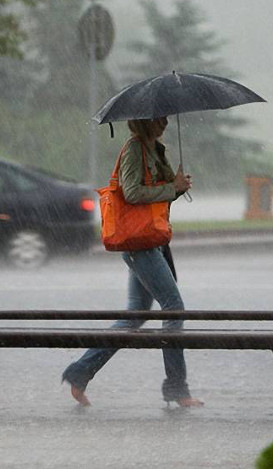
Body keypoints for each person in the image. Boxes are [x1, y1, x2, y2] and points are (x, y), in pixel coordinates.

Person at [61, 116, 204, 408]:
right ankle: (177, 387)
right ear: (143, 120)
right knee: (174, 310)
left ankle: (80, 371)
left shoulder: (156, 149)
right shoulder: (134, 149)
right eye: (158, 118)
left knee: (135, 315)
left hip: (154, 241)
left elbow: (154, 197)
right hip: (141, 244)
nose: (164, 122)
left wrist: (177, 188)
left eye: (166, 116)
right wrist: (169, 188)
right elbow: (131, 192)